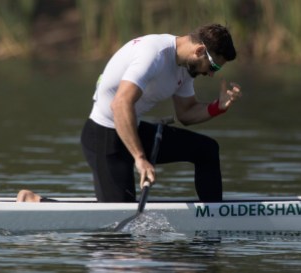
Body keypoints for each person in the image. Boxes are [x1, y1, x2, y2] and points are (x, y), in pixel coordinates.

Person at [17, 23, 241, 203]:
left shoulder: (184, 66)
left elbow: (186, 113)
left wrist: (217, 107)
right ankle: (37, 202)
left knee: (206, 150)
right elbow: (120, 104)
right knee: (120, 228)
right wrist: (140, 159)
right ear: (200, 50)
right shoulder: (153, 55)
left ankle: (214, 217)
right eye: (214, 67)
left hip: (133, 129)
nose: (211, 75)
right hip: (105, 137)